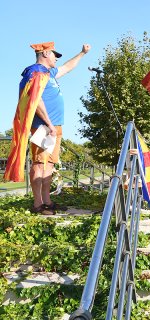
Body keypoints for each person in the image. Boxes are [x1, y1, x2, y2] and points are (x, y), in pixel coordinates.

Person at [26, 42, 91, 215]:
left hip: (55, 126)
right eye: (55, 55)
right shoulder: (36, 71)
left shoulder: (50, 73)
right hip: (43, 126)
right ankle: (38, 204)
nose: (56, 58)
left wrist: (82, 53)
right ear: (46, 53)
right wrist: (48, 123)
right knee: (40, 163)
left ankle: (47, 201)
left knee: (50, 164)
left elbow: (67, 67)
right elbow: (35, 98)